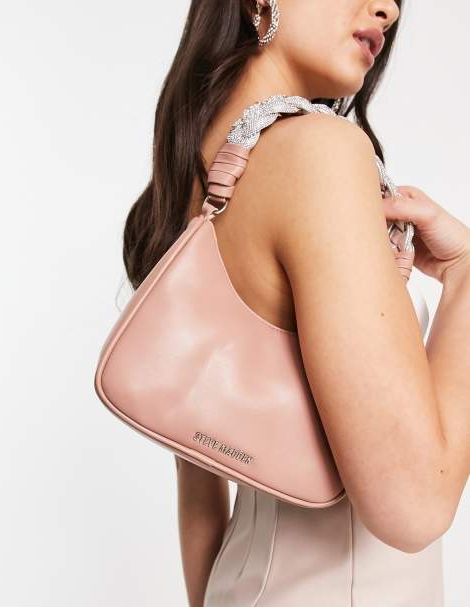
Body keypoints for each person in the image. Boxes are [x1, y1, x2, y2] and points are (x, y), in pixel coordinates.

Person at [122, 1, 470, 605]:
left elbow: (198, 484)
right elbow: (415, 507)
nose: (388, 9)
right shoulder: (320, 150)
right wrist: (466, 273)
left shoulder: (196, 182)